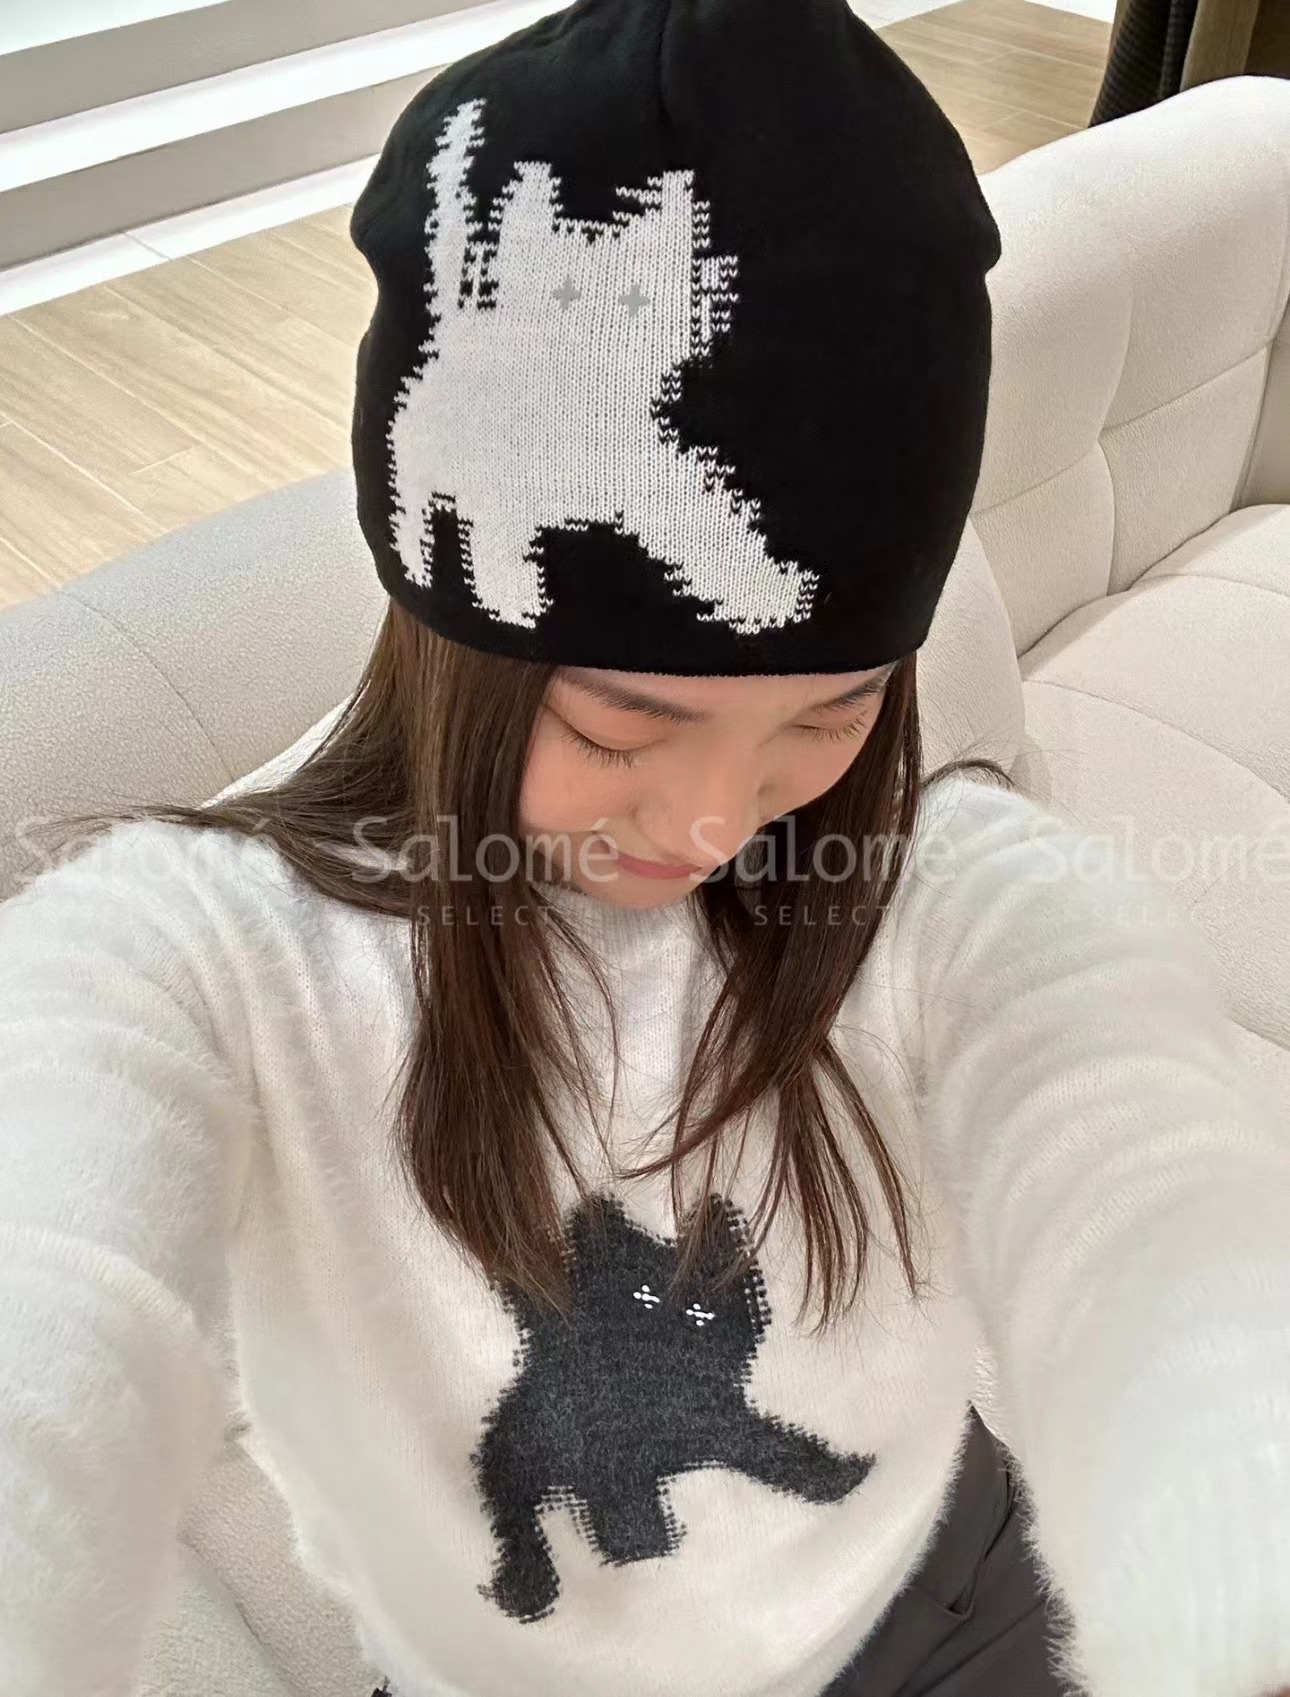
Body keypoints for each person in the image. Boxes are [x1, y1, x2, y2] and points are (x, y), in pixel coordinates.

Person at [1, 1, 1288, 1695]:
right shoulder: (220, 961)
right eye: (619, 729)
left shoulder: (878, 871)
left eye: (826, 713)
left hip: (950, 1571)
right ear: (461, 654)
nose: (709, 824)